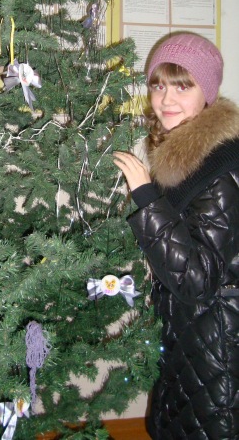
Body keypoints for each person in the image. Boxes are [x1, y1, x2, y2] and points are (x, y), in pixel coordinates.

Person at [113, 32, 239, 439]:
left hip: (217, 346)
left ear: (208, 94)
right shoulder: (186, 158)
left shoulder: (222, 170)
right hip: (192, 338)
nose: (166, 99)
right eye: (158, 85)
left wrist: (147, 199)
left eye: (183, 86)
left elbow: (198, 281)